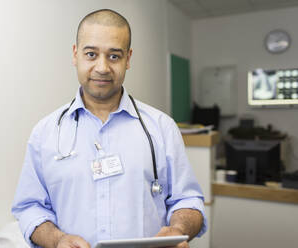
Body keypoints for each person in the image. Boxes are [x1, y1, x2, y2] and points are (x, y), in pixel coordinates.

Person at [12, 9, 206, 248]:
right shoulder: (46, 133)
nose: (102, 67)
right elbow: (29, 207)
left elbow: (188, 200)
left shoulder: (161, 128)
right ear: (76, 55)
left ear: (128, 58)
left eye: (114, 56)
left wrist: (178, 230)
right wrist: (57, 239)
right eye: (91, 54)